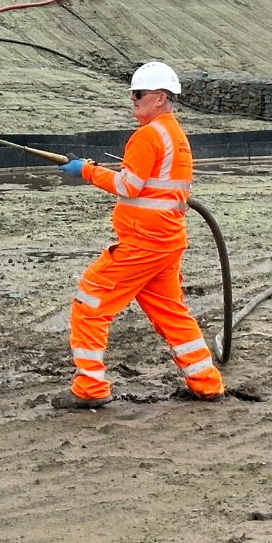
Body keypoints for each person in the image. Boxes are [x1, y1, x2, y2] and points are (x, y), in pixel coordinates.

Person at [53, 61, 225, 409]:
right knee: (172, 314)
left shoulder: (148, 136)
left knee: (90, 302)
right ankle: (206, 384)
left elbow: (127, 185)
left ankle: (90, 388)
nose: (133, 100)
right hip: (166, 243)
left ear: (159, 98)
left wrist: (85, 171)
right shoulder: (174, 134)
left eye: (139, 94)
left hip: (143, 244)